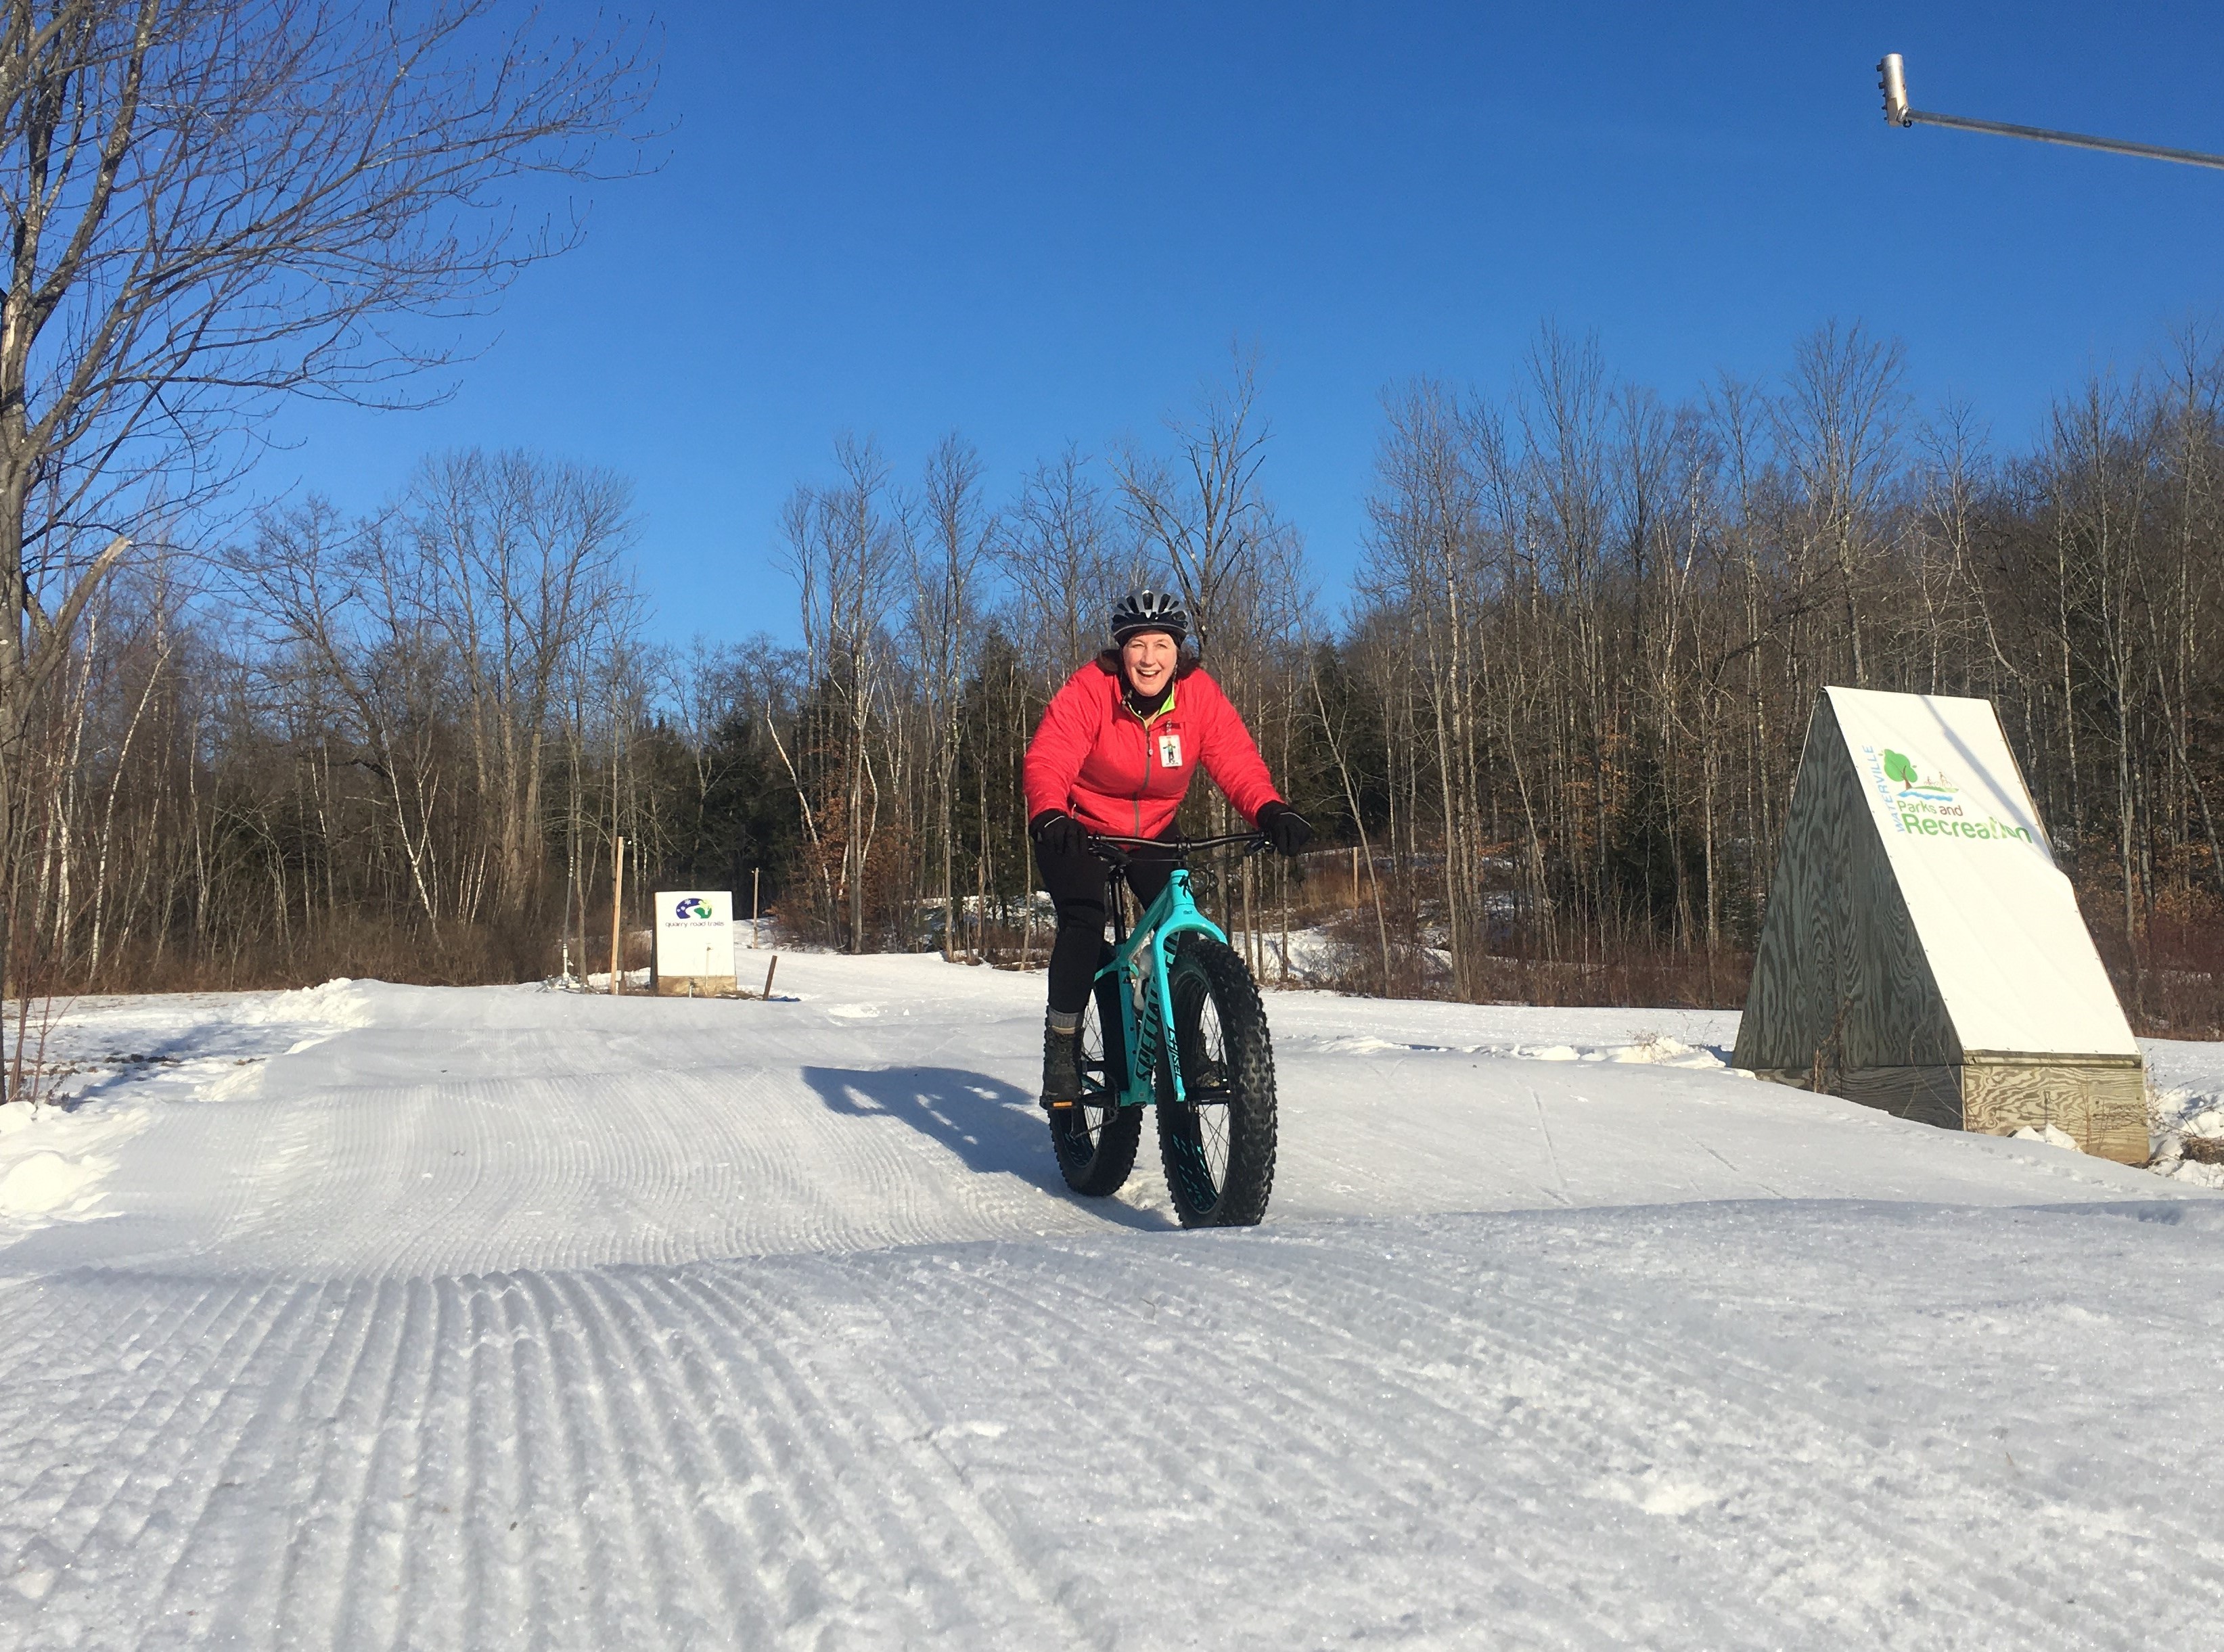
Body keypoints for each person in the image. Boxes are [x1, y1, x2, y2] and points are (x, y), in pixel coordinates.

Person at [1022, 587, 1311, 1106]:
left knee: (1177, 931)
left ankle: (1189, 1046)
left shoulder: (1198, 695)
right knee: (1085, 925)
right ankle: (1060, 1047)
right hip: (1079, 826)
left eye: (1161, 644)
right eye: (1137, 645)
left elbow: (1236, 760)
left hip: (1153, 827)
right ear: (1120, 650)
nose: (1149, 658)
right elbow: (1050, 755)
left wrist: (1270, 810)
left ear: (1179, 651)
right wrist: (1048, 812)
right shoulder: (1092, 690)